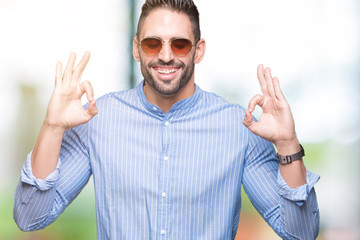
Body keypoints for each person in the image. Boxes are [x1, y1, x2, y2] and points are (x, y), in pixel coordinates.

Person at [13, 0, 320, 239]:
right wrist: (52, 127)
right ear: (137, 48)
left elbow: (301, 232)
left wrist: (287, 143)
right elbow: (30, 218)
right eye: (152, 43)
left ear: (198, 50)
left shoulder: (238, 128)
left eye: (180, 44)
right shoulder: (98, 120)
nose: (165, 55)